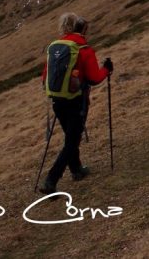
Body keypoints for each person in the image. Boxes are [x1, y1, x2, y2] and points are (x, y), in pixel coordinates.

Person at [38, 12, 112, 193]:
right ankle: (51, 179)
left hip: (57, 101)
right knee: (72, 140)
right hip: (77, 101)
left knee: (70, 136)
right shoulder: (84, 49)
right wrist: (107, 70)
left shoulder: (56, 48)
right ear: (83, 29)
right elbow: (94, 78)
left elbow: (44, 77)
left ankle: (76, 169)